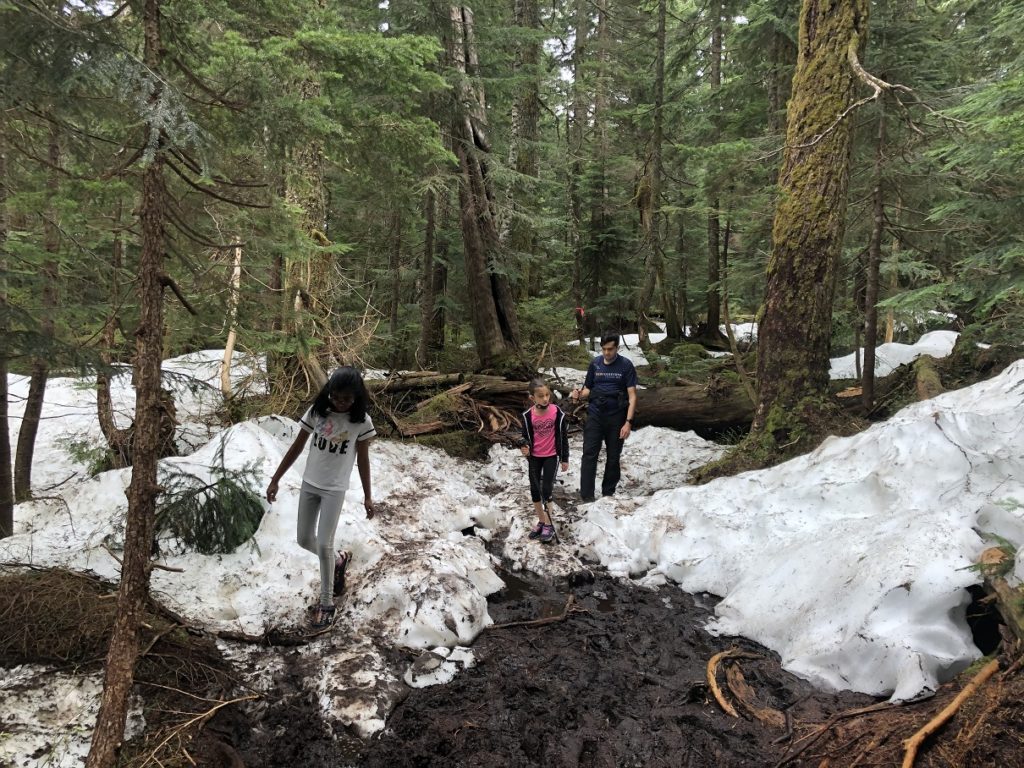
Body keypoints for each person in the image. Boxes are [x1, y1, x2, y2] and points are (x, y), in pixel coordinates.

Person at [266, 367, 377, 629]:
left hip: (334, 489)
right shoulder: (316, 413)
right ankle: (338, 560)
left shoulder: (361, 423)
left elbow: (363, 460)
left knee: (324, 544)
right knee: (304, 539)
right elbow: (297, 447)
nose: (340, 403)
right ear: (329, 393)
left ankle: (326, 603)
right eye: (336, 397)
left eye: (347, 399)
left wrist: (368, 496)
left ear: (356, 397)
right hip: (310, 484)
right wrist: (275, 478)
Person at [570, 333, 638, 501]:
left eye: (610, 349)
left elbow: (633, 396)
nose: (607, 353)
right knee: (589, 453)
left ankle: (608, 493)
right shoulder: (595, 364)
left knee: (613, 455)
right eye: (604, 349)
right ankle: (587, 496)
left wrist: (628, 422)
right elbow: (587, 389)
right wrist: (579, 394)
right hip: (595, 414)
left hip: (617, 415)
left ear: (617, 348)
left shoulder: (626, 366)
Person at [520, 379, 570, 544]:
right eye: (540, 396)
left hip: (551, 455)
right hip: (534, 456)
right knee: (535, 489)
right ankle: (541, 520)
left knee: (547, 488)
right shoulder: (528, 416)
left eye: (547, 395)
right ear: (532, 397)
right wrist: (524, 446)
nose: (545, 399)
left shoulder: (557, 413)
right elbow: (525, 437)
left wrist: (564, 458)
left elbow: (563, 436)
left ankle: (548, 524)